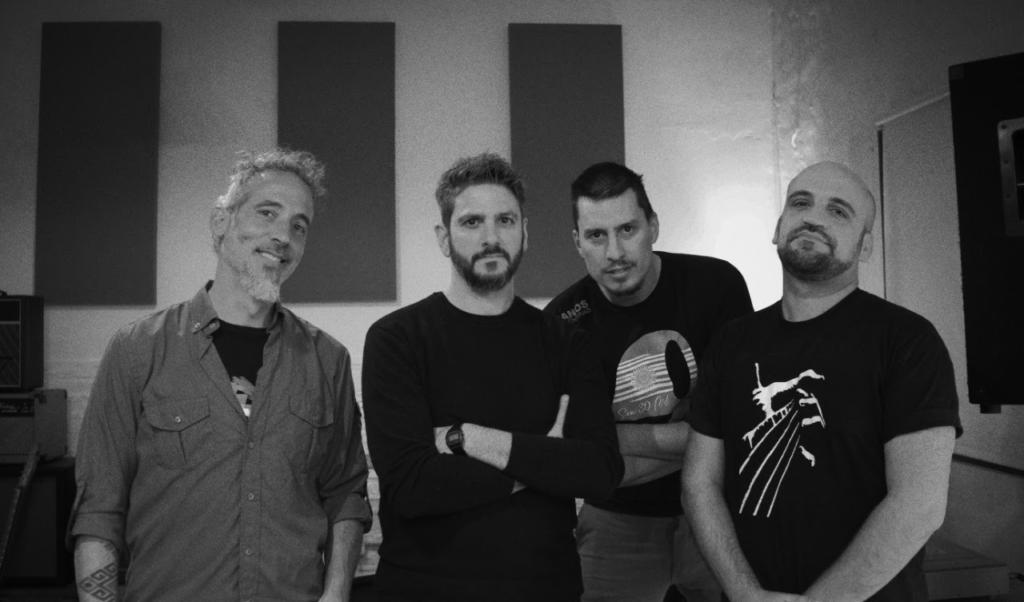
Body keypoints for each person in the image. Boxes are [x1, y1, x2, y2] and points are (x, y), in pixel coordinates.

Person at [70, 148, 372, 602]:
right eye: (267, 212)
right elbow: (98, 509)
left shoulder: (327, 360)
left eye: (299, 226)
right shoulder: (136, 350)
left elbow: (346, 494)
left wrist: (336, 594)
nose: (283, 236)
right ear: (220, 222)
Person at [682, 161, 961, 602]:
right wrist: (743, 593)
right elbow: (700, 483)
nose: (813, 217)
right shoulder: (731, 342)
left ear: (865, 246)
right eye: (801, 203)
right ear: (777, 228)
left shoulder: (908, 341)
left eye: (838, 211)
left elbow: (919, 504)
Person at [361, 153, 624, 602]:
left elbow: (601, 471)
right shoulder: (397, 338)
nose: (491, 237)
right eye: (471, 222)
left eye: (505, 220)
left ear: (525, 232)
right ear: (443, 238)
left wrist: (470, 439)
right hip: (422, 590)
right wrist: (543, 460)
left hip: (545, 588)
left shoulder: (566, 341)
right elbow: (411, 488)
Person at [545, 161, 753, 602]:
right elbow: (577, 458)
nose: (615, 252)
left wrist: (612, 438)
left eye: (627, 229)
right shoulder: (562, 324)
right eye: (596, 235)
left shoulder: (716, 285)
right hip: (615, 518)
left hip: (718, 506)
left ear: (653, 226)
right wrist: (701, 440)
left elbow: (741, 429)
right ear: (577, 242)